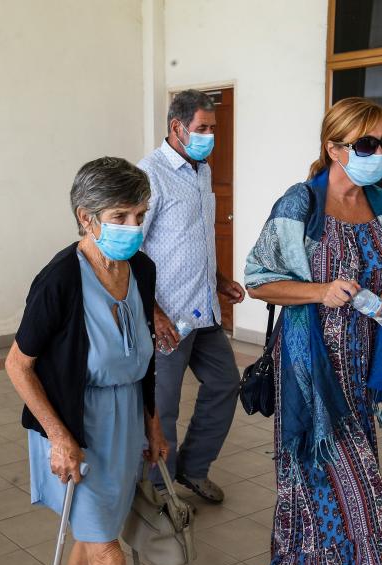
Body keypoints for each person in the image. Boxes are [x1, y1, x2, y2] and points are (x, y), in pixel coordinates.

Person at [245, 97, 382, 565]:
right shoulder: (301, 203)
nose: (378, 154)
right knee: (358, 481)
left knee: (303, 480)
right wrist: (320, 291)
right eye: (366, 145)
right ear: (334, 148)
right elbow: (257, 279)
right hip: (309, 364)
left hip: (363, 363)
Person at [6, 157, 168, 565]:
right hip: (76, 425)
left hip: (125, 422)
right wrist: (58, 437)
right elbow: (18, 365)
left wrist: (153, 424)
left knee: (98, 529)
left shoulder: (140, 267)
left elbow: (145, 354)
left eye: (140, 215)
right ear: (87, 217)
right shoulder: (59, 280)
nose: (133, 227)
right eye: (120, 217)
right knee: (108, 555)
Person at [137, 89, 245, 503]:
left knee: (224, 384)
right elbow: (132, 252)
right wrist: (154, 312)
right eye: (202, 129)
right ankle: (160, 488)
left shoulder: (200, 170)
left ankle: (193, 469)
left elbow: (192, 239)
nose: (209, 136)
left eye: (212, 129)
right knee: (163, 410)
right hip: (168, 317)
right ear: (176, 128)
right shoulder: (149, 175)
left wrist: (218, 278)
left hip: (204, 311)